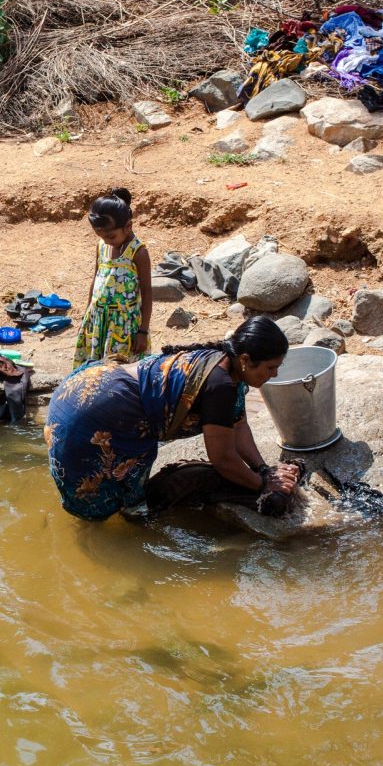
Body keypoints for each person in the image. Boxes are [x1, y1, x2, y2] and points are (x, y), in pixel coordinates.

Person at [45, 315, 300, 521]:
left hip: (83, 388)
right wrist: (262, 487)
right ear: (245, 360)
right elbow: (222, 458)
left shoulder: (226, 365)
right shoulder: (220, 384)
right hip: (94, 414)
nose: (275, 374)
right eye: (270, 367)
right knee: (102, 506)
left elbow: (238, 424)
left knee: (125, 495)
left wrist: (265, 470)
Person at [72, 188, 152, 369]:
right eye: (100, 236)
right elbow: (96, 278)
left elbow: (147, 293)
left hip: (123, 326)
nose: (107, 240)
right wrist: (87, 315)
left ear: (128, 226)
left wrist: (143, 331)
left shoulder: (138, 252)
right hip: (97, 320)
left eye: (111, 236)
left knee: (119, 371)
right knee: (94, 371)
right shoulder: (102, 246)